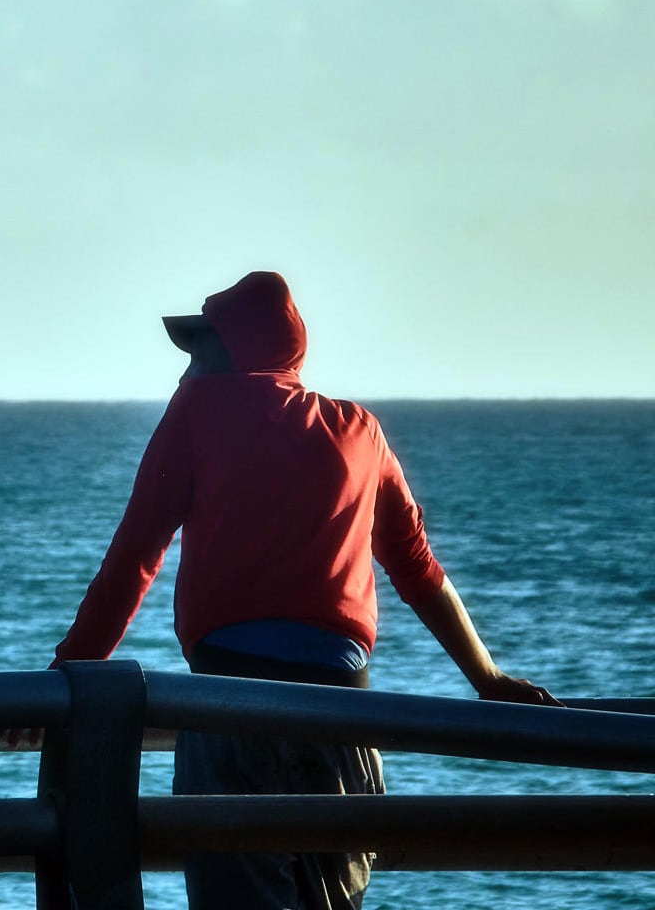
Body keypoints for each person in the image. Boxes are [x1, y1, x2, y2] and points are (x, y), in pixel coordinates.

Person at [48, 270, 557, 910]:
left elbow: (135, 558)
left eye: (201, 348)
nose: (185, 370)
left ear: (236, 349)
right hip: (343, 717)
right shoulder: (361, 430)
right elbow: (418, 568)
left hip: (227, 708)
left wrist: (68, 671)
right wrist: (487, 678)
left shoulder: (197, 412)